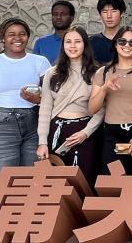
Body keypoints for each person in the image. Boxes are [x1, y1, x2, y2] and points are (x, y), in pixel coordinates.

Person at [0, 17, 52, 179]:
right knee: (2, 179)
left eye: (22, 34)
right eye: (11, 34)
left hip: (34, 125)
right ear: (3, 38)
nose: (17, 38)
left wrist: (38, 100)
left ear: (28, 37)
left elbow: (51, 97)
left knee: (33, 178)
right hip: (2, 126)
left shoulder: (40, 62)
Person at [36, 27, 103, 185]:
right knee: (55, 183)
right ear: (63, 45)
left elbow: (101, 109)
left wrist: (85, 133)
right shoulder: (52, 73)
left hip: (84, 131)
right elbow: (45, 109)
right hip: (56, 131)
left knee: (83, 181)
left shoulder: (97, 73)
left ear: (85, 44)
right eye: (68, 42)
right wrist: (42, 142)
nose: (72, 46)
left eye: (77, 41)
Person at [89, 25, 132, 176]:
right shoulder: (103, 72)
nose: (127, 45)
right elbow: (92, 109)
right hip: (112, 134)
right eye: (122, 41)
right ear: (115, 44)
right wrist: (105, 88)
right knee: (112, 183)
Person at [90, 0, 126, 65]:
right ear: (100, 14)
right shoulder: (91, 42)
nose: (109, 16)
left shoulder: (130, 42)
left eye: (113, 11)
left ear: (122, 13)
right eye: (105, 11)